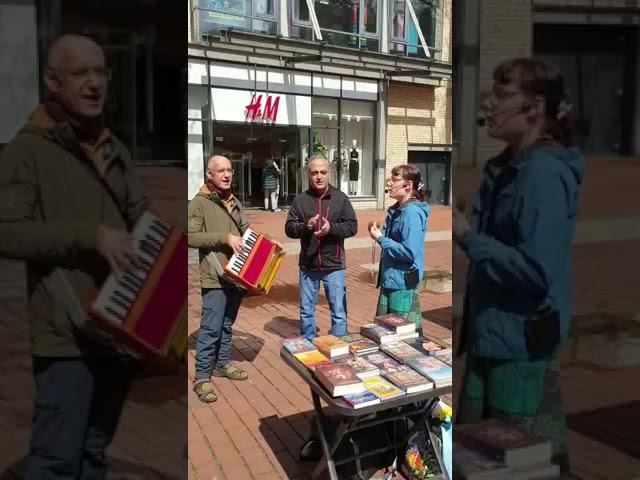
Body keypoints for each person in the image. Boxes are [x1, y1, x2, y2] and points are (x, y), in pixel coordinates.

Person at [0, 34, 149, 478]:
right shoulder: (27, 150)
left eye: (101, 72)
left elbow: (140, 217)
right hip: (67, 334)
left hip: (121, 327)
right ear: (52, 80)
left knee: (92, 451)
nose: (94, 84)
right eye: (80, 73)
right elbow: (7, 234)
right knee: (55, 460)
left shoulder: (113, 147)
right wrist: (91, 236)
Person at [453, 57, 584, 476]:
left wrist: (469, 239)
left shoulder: (543, 173)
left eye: (502, 95)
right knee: (483, 462)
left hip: (519, 353)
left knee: (521, 466)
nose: (489, 104)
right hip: (491, 341)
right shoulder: (509, 168)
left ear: (535, 108)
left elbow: (535, 271)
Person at [188, 154, 252, 402]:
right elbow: (191, 237)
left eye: (230, 170)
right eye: (221, 171)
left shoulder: (235, 201)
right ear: (209, 174)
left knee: (226, 324)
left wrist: (268, 243)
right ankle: (202, 378)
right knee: (211, 328)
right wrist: (225, 238)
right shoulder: (198, 203)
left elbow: (246, 229)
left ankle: (222, 364)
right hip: (214, 275)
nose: (227, 175)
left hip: (237, 274)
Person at [285, 154, 357, 341]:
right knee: (306, 311)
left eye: (323, 172)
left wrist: (331, 228)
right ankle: (308, 345)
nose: (319, 176)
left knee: (338, 312)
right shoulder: (300, 200)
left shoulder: (340, 198)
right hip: (308, 265)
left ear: (329, 173)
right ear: (308, 174)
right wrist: (305, 226)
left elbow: (352, 226)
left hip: (333, 265)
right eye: (315, 172)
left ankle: (339, 344)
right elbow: (289, 228)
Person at [368, 164, 429, 334]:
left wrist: (380, 238)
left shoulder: (411, 213)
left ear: (408, 185)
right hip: (390, 280)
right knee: (385, 332)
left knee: (404, 336)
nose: (389, 183)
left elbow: (409, 252)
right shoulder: (396, 210)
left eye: (394, 180)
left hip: (403, 285)